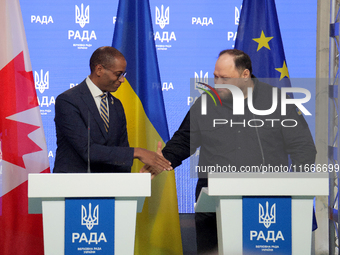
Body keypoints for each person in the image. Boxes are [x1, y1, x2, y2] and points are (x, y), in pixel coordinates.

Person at [142, 49, 317, 254]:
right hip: (214, 204)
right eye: (215, 76)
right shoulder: (205, 103)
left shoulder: (278, 101)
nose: (217, 83)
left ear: (245, 75)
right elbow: (184, 140)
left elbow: (303, 147)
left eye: (224, 78)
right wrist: (162, 160)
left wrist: (296, 188)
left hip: (266, 204)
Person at [53, 46, 172, 174]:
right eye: (118, 74)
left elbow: (121, 151)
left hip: (109, 188)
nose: (122, 80)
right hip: (73, 187)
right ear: (99, 70)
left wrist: (130, 184)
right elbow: (87, 151)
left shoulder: (116, 105)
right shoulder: (68, 101)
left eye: (123, 74)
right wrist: (137, 152)